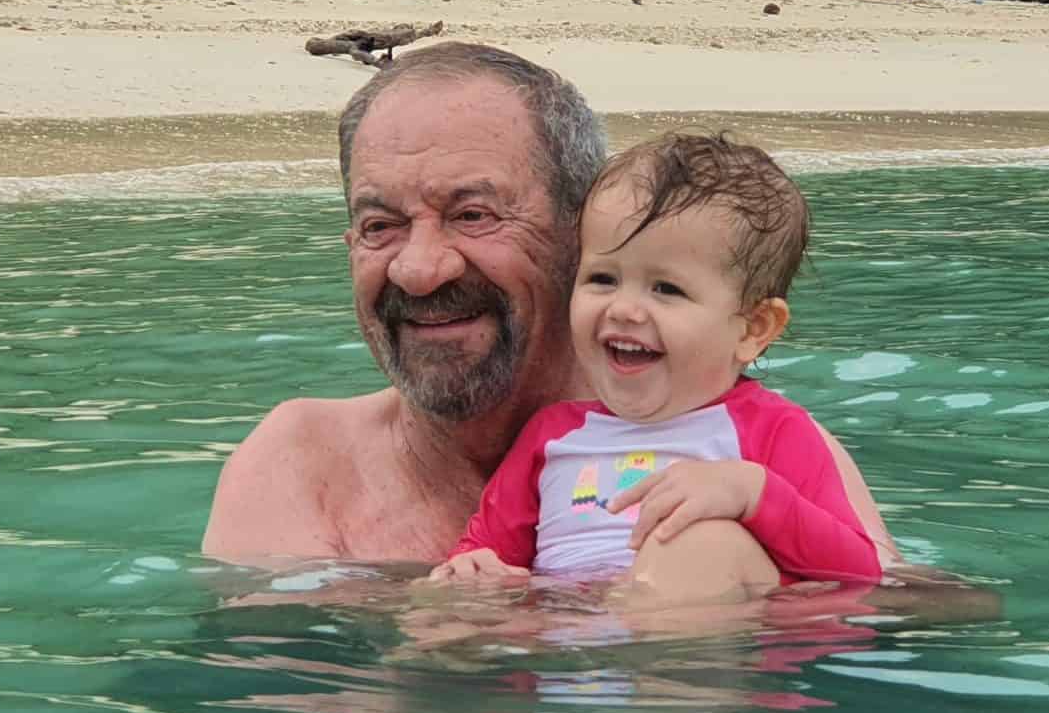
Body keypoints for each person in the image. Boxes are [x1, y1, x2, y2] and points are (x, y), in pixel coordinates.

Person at [202, 42, 899, 572]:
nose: (417, 269)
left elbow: (897, 633)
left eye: (472, 214)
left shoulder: (752, 447)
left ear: (581, 235)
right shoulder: (301, 468)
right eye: (379, 225)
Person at [428, 133, 878, 599]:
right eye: (603, 279)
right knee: (448, 602)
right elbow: (486, 549)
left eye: (666, 289)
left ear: (752, 329)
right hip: (574, 648)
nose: (624, 309)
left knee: (700, 542)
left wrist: (756, 496)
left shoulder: (773, 432)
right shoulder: (552, 436)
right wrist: (472, 570)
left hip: (696, 652)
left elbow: (861, 574)